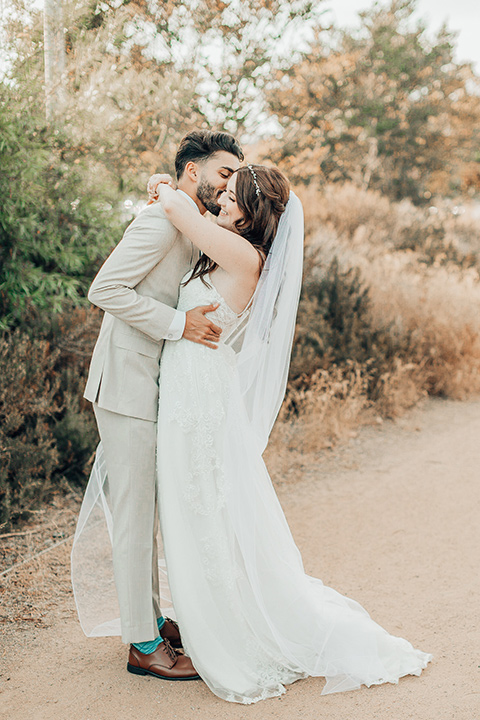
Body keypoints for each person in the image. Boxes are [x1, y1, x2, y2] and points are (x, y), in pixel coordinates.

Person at [145, 165, 433, 703]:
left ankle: (222, 629)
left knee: (202, 510)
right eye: (223, 196)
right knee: (197, 509)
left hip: (201, 398)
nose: (221, 203)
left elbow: (179, 209)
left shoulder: (244, 256)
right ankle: (201, 613)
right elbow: (190, 215)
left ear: (252, 213)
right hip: (192, 389)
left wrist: (162, 182)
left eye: (231, 198)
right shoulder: (228, 245)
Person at [71, 130, 244, 681]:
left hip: (157, 388)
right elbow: (106, 289)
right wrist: (178, 325)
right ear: (193, 172)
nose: (227, 184)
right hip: (126, 384)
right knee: (135, 518)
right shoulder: (158, 220)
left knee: (147, 511)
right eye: (222, 173)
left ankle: (150, 618)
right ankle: (143, 644)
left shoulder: (190, 219)